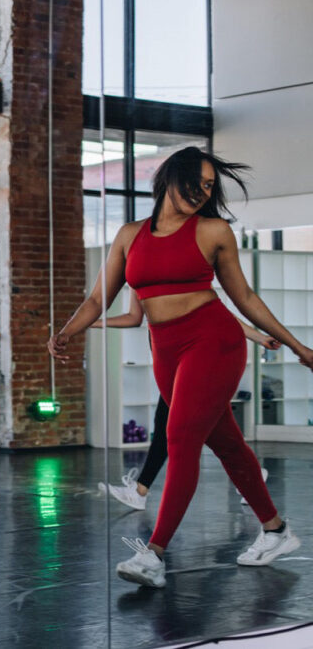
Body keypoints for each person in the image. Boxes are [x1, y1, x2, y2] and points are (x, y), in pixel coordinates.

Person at [49, 147, 313, 588]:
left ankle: (153, 554)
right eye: (197, 180)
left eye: (210, 185)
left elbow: (244, 298)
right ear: (169, 179)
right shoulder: (130, 235)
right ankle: (276, 530)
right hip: (165, 350)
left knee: (180, 437)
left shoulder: (213, 231)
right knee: (226, 443)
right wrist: (67, 331)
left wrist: (299, 346)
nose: (203, 190)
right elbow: (99, 299)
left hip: (214, 341)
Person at [94, 289, 279, 510]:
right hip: (172, 367)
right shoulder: (140, 281)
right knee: (209, 430)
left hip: (196, 363)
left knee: (168, 424)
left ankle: (140, 490)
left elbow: (222, 316)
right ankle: (252, 475)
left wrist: (260, 337)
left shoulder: (180, 278)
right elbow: (133, 318)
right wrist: (93, 322)